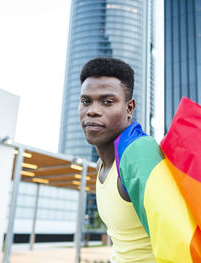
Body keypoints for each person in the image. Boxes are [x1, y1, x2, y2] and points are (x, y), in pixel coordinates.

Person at [79, 57, 156, 262]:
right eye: (86, 101)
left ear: (129, 108)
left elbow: (176, 234)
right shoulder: (102, 165)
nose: (92, 110)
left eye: (107, 101)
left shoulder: (139, 152)